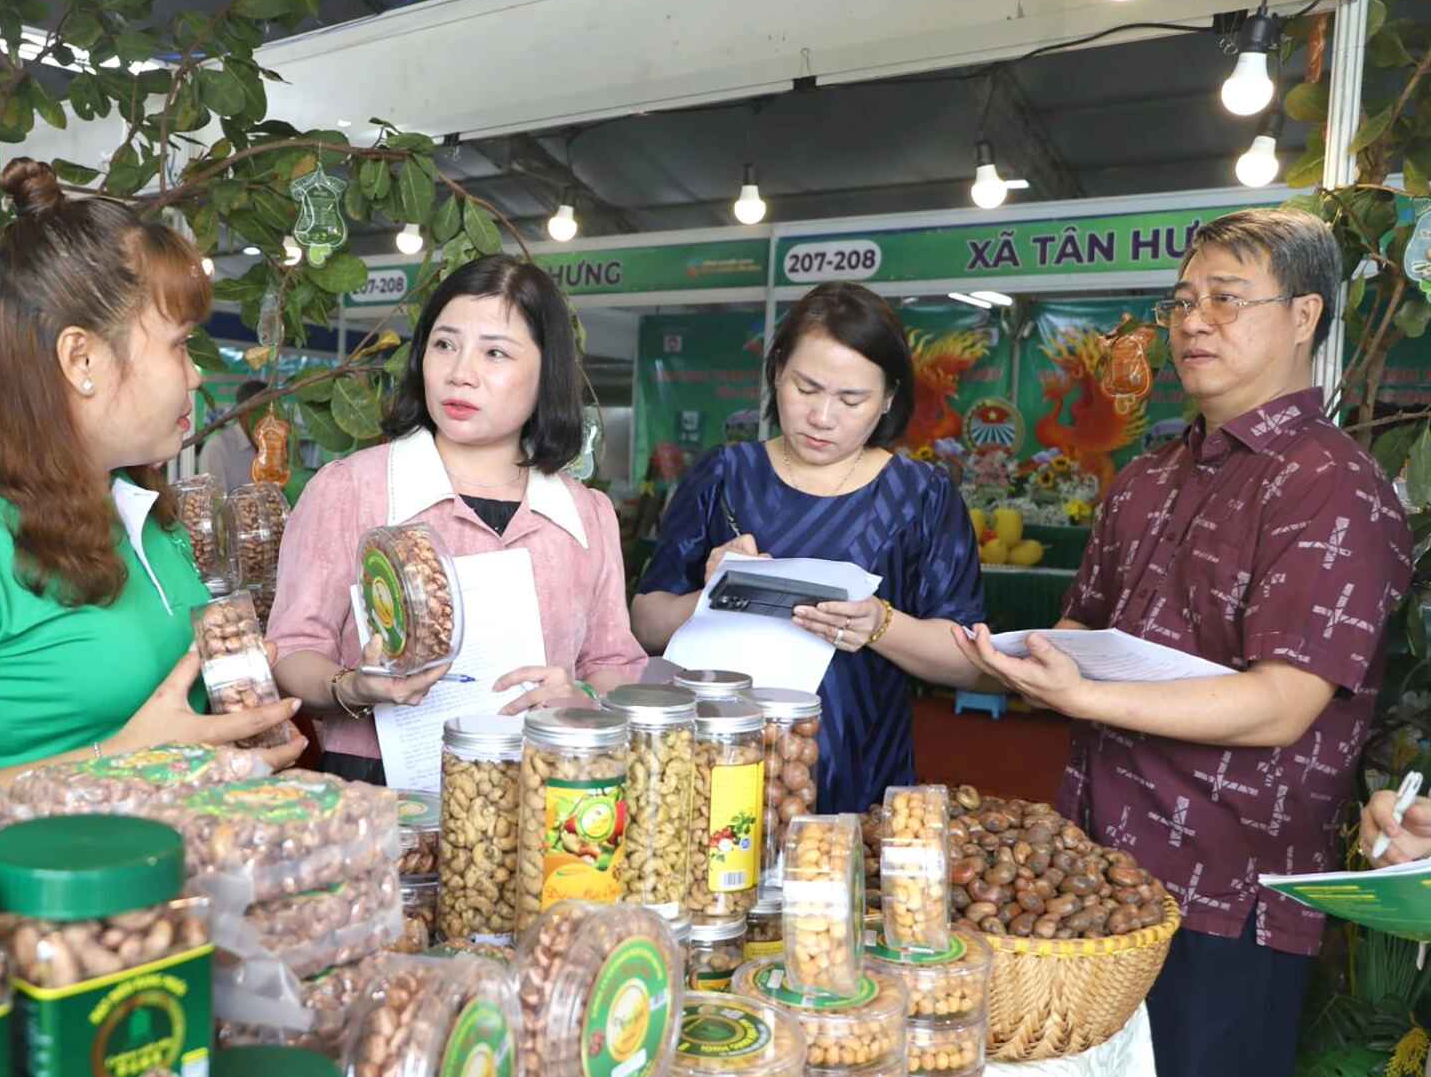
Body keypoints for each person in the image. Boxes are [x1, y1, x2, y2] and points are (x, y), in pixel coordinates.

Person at [955, 208, 1412, 1077]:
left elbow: (1280, 704)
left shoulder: (1333, 489)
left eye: (1225, 298)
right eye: (1182, 300)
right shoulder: (1151, 476)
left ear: (1303, 316)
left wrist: (1082, 694)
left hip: (1227, 900)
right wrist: (987, 651)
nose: (1193, 321)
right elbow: (1080, 632)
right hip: (1096, 887)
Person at [0, 158, 305, 794]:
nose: (197, 375)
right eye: (179, 345)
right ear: (81, 357)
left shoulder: (131, 510)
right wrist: (123, 762)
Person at [269, 254, 647, 785]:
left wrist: (581, 698)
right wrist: (353, 686)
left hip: (540, 790)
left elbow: (614, 664)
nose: (459, 373)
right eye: (445, 345)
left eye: (495, 352)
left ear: (546, 373)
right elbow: (292, 650)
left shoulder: (586, 515)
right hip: (377, 789)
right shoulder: (352, 489)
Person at [629, 282, 987, 818]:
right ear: (777, 372)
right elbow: (643, 625)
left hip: (861, 769)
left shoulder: (921, 496)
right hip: (718, 769)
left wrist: (881, 625)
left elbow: (971, 663)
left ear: (889, 398)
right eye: (806, 388)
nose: (822, 416)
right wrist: (710, 594)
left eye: (851, 399)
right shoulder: (724, 475)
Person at [198, 378, 267, 491]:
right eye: (261, 412)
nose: (268, 420)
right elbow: (213, 503)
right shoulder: (218, 448)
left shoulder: (269, 446)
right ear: (242, 412)